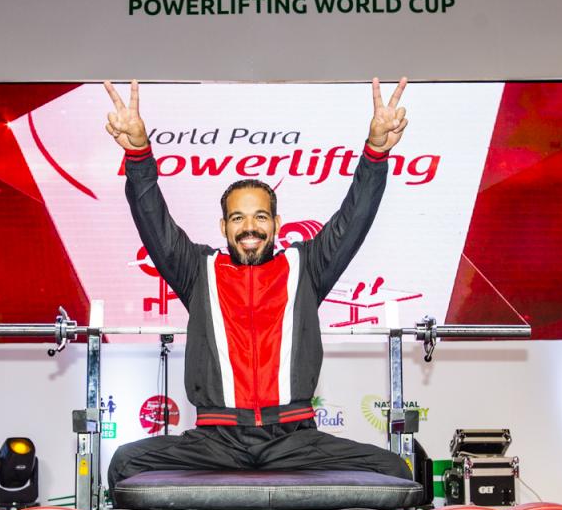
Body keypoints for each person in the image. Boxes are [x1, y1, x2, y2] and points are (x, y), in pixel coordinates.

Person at [103, 78, 413, 488]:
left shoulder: (306, 266)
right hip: (215, 440)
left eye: (260, 217)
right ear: (224, 227)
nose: (250, 227)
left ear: (276, 223)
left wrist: (375, 154)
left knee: (392, 470)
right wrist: (138, 155)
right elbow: (153, 221)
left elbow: (353, 219)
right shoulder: (199, 270)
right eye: (238, 218)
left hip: (294, 439)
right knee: (124, 463)